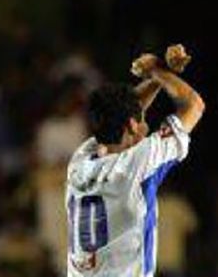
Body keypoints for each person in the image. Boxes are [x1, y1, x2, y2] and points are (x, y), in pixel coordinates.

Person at [64, 44, 206, 277]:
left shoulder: (80, 161)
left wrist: (160, 72)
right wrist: (159, 72)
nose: (144, 120)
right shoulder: (138, 164)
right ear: (131, 125)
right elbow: (194, 105)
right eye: (139, 119)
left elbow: (125, 110)